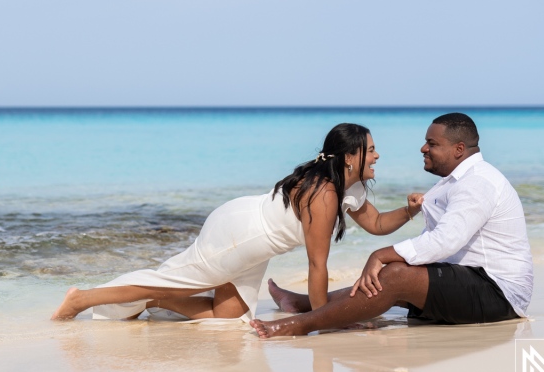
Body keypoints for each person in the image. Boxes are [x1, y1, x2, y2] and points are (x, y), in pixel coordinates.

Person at [51, 123, 423, 321]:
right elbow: (316, 266)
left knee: (230, 315)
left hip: (254, 242)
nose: (377, 155)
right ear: (348, 157)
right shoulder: (324, 193)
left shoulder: (349, 188)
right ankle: (82, 299)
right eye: (370, 149)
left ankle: (155, 301)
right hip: (241, 236)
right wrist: (324, 320)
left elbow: (375, 223)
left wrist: (409, 211)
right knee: (175, 277)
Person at [251, 112, 533, 338]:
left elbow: (446, 241)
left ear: (458, 149)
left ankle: (300, 324)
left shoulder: (477, 183)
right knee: (396, 275)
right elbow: (393, 227)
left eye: (432, 144)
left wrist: (381, 255)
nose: (423, 148)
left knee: (396, 275)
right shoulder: (454, 181)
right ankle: (303, 304)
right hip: (472, 279)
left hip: (498, 293)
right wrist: (411, 214)